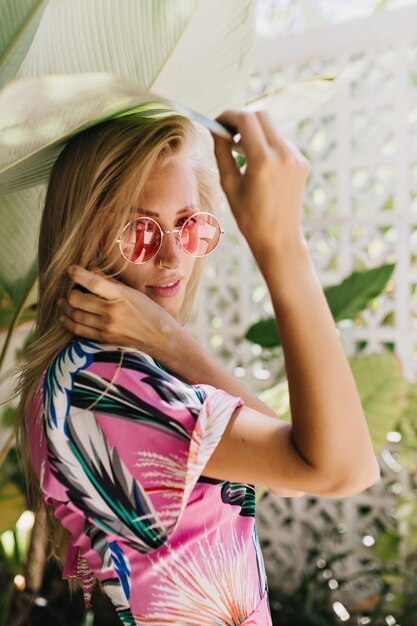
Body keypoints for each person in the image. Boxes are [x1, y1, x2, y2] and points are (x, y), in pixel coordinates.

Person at [15, 109, 380, 626]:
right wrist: (283, 248)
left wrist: (171, 342)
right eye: (138, 232)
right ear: (82, 238)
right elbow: (344, 469)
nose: (170, 258)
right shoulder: (103, 385)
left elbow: (299, 477)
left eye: (188, 226)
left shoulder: (113, 372)